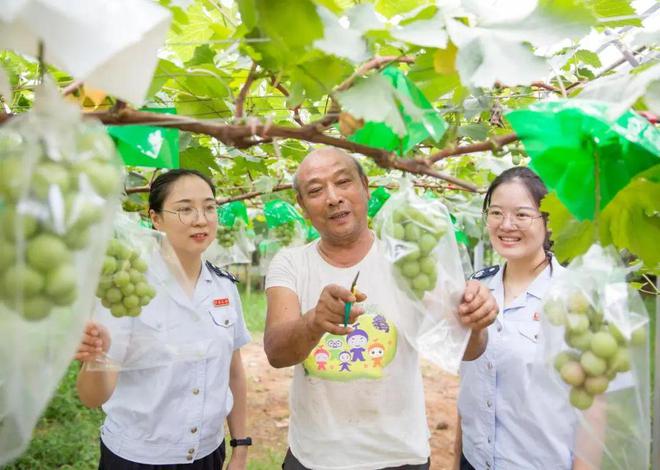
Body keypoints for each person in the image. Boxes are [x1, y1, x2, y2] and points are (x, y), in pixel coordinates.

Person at [264, 147, 498, 470]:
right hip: (315, 458)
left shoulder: (408, 261)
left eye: (343, 182)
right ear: (303, 207)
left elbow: (469, 349)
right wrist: (314, 321)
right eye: (316, 191)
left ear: (365, 186)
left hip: (399, 457)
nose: (333, 198)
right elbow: (276, 351)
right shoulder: (291, 264)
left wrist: (475, 320)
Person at [75, 169, 251, 469]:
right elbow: (93, 398)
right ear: (155, 219)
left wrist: (241, 447)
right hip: (138, 459)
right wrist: (95, 357)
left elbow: (233, 371)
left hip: (209, 454)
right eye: (185, 209)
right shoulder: (128, 288)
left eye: (209, 207)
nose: (200, 219)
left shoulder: (224, 287)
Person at [455, 166, 590, 470]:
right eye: (496, 212)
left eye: (522, 214)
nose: (506, 225)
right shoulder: (476, 288)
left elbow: (593, 408)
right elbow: (471, 389)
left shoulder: (574, 298)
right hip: (475, 461)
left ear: (548, 222)